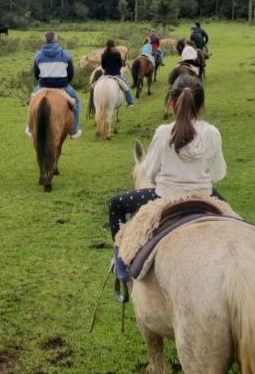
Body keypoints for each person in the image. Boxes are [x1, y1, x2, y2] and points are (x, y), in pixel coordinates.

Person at [107, 74, 225, 241]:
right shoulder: (213, 132)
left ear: (171, 104)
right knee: (234, 219)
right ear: (203, 104)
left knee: (116, 204)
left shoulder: (163, 132)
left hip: (165, 196)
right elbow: (217, 174)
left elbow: (150, 172)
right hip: (203, 194)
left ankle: (120, 260)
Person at [30, 31, 82, 138]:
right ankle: (74, 130)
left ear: (45, 40)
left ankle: (30, 128)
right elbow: (71, 73)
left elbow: (36, 74)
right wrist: (65, 82)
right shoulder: (66, 54)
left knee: (31, 101)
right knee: (76, 101)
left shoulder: (38, 55)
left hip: (43, 86)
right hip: (62, 86)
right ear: (56, 40)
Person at [100, 39, 135, 107]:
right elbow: (120, 65)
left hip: (106, 75)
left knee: (94, 85)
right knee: (126, 87)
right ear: (113, 45)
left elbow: (103, 66)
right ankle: (130, 102)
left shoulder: (103, 54)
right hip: (116, 74)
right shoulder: (117, 54)